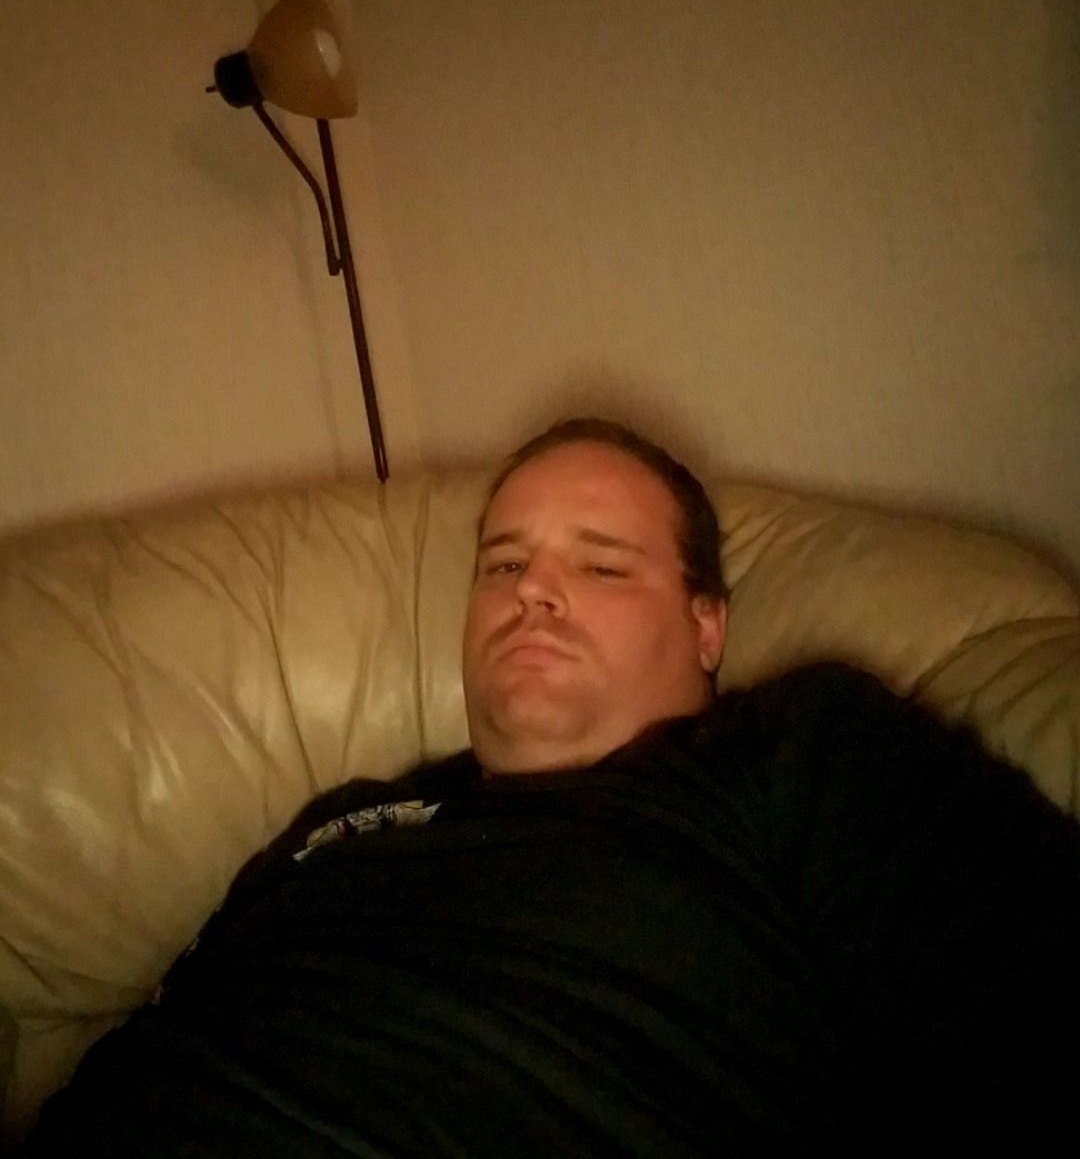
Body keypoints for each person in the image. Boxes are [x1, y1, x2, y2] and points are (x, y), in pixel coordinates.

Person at [19, 420, 1080, 1155]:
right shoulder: (339, 823)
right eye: (502, 565)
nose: (532, 590)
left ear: (707, 624)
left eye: (602, 566)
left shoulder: (803, 752)